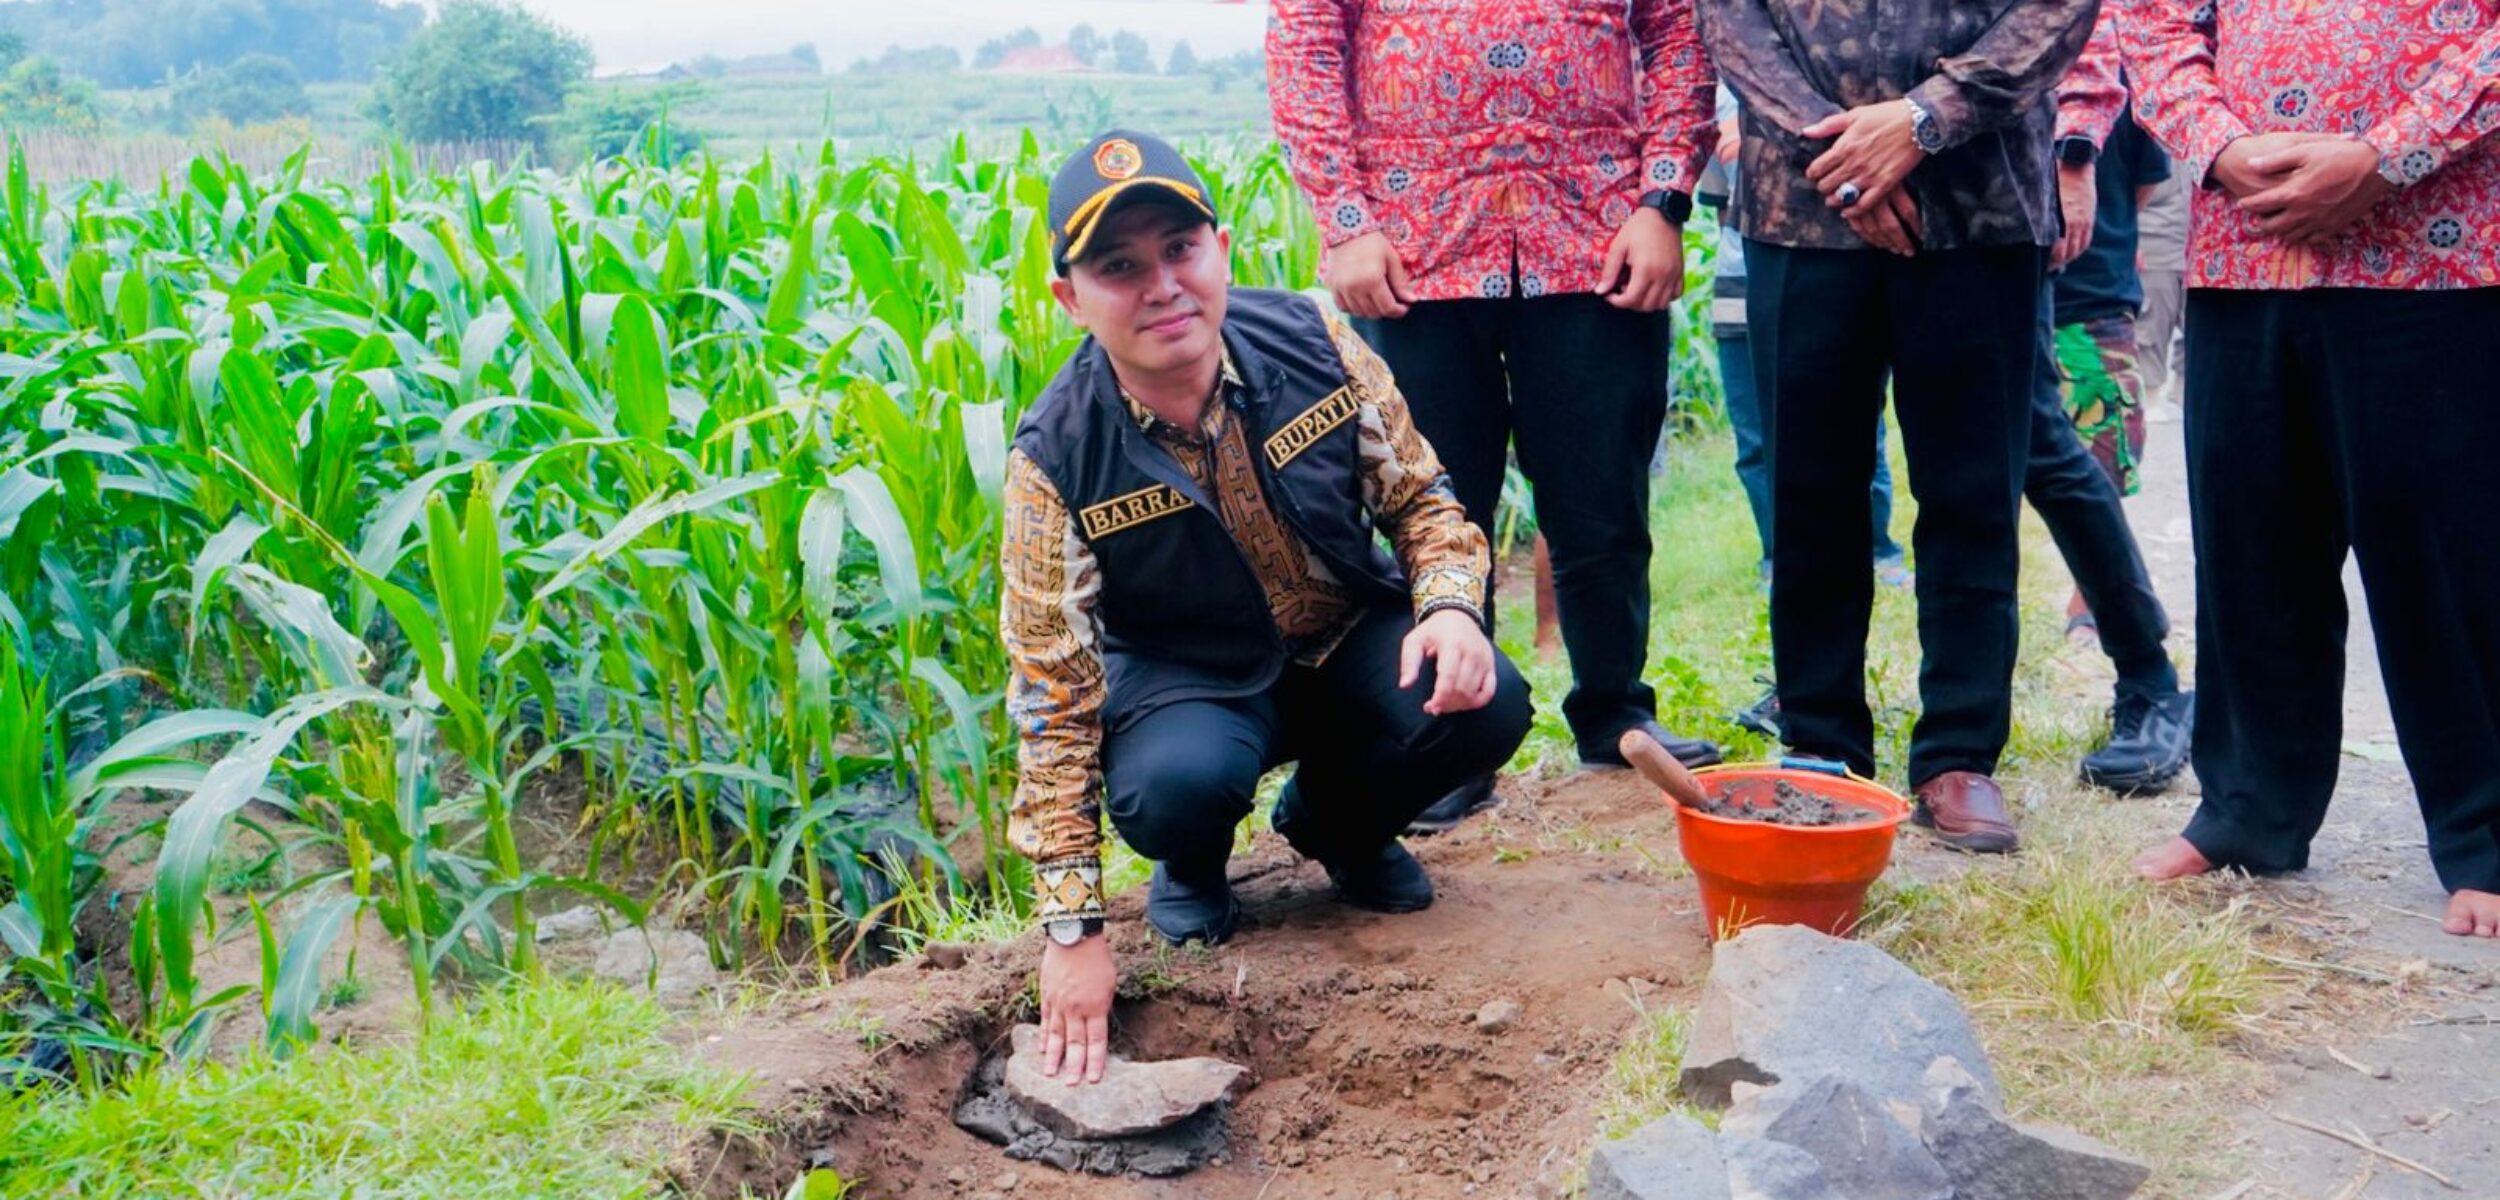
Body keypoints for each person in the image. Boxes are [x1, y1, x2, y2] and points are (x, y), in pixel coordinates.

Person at [1003, 131, 1537, 1084]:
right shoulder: (1055, 455)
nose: (1161, 284)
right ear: (1069, 300)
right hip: (1189, 680)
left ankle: (1338, 826)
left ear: (1223, 248)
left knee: (1487, 701)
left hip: (1343, 634)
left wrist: (1452, 609)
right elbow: (1052, 693)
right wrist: (1073, 929)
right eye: (1118, 267)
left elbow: (1421, 500)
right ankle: (1195, 863)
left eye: (1179, 248)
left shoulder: (1314, 338)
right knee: (1175, 787)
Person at [1269, 0, 1725, 840]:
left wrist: (1663, 201)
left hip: (1596, 234)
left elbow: (1676, 32)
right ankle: (1451, 741)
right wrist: (1345, 219)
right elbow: (1305, 40)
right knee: (1435, 506)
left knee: (1603, 503)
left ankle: (1614, 714)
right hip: (1414, 249)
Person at [2116, 0, 2500, 937]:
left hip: (2436, 251)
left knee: (2454, 561)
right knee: (2253, 547)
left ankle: (2487, 838)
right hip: (2246, 249)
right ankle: (2249, 810)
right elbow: (2153, 21)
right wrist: (2221, 145)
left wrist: (2387, 154)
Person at [1698, 0, 2097, 853]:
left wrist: (1926, 120)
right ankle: (1820, 747)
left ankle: (1959, 755)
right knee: (1810, 491)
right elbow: (1731, 18)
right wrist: (1843, 155)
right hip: (1800, 209)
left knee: (1972, 489)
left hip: (1980, 199)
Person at [1697, 86, 1910, 742]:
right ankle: (1780, 566)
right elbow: (1712, 176)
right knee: (1765, 450)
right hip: (1747, 279)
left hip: (1844, 255)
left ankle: (1877, 550)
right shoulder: (1732, 76)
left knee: (1850, 442)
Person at [2022, 25, 2196, 795]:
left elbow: (2149, 185)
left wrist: (2076, 177)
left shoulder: (2107, 67)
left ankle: (2135, 655)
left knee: (2086, 456)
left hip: (2088, 299)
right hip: (1987, 265)